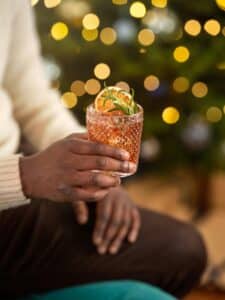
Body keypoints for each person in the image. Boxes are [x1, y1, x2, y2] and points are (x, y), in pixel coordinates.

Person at [0, 0, 207, 299]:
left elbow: (33, 99)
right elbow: (26, 174)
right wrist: (25, 177)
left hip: (19, 160)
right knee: (179, 251)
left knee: (184, 248)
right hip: (14, 184)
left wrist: (87, 166)